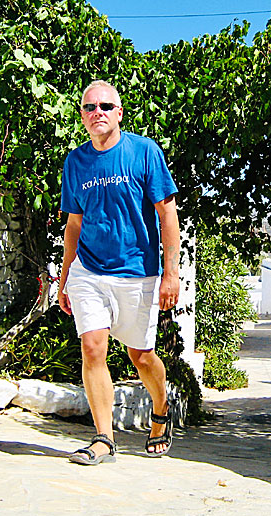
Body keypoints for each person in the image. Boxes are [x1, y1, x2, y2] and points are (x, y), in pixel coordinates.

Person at [57, 80, 180, 465]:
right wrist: (65, 278)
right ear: (82, 116)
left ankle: (161, 407)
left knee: (140, 356)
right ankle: (103, 440)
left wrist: (170, 274)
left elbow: (167, 214)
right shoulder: (75, 163)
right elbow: (74, 224)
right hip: (89, 270)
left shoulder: (144, 153)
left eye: (106, 106)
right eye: (90, 107)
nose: (99, 113)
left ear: (119, 112)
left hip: (137, 273)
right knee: (93, 346)